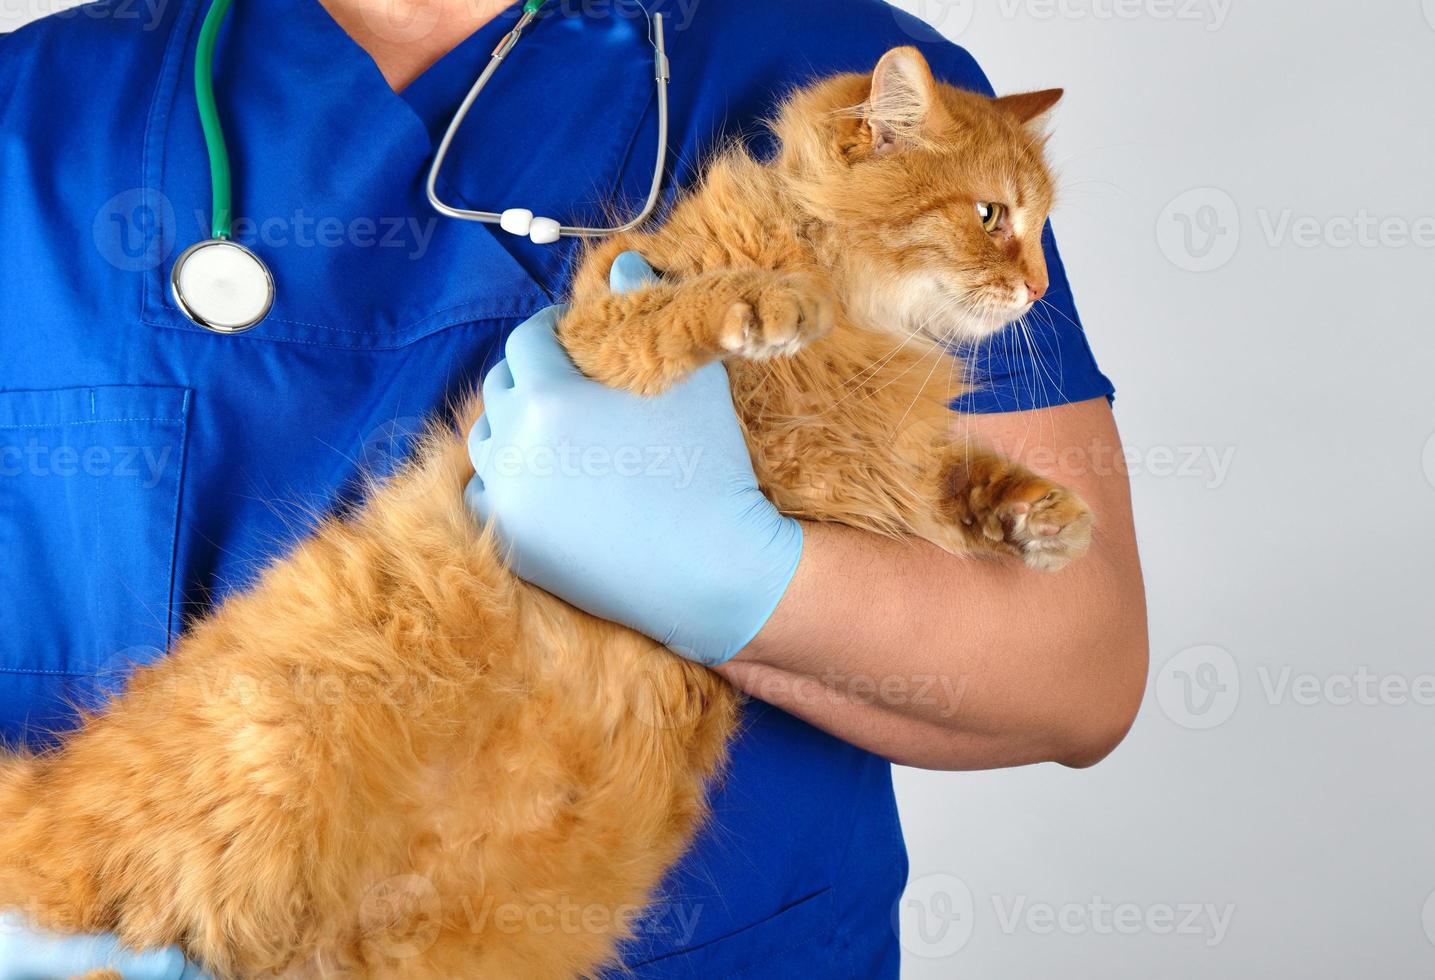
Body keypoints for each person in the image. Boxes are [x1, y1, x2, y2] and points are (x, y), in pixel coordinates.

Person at [0, 0, 1147, 975]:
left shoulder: (846, 70)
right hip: (125, 900)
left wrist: (746, 583)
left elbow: (1080, 661)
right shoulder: (35, 103)